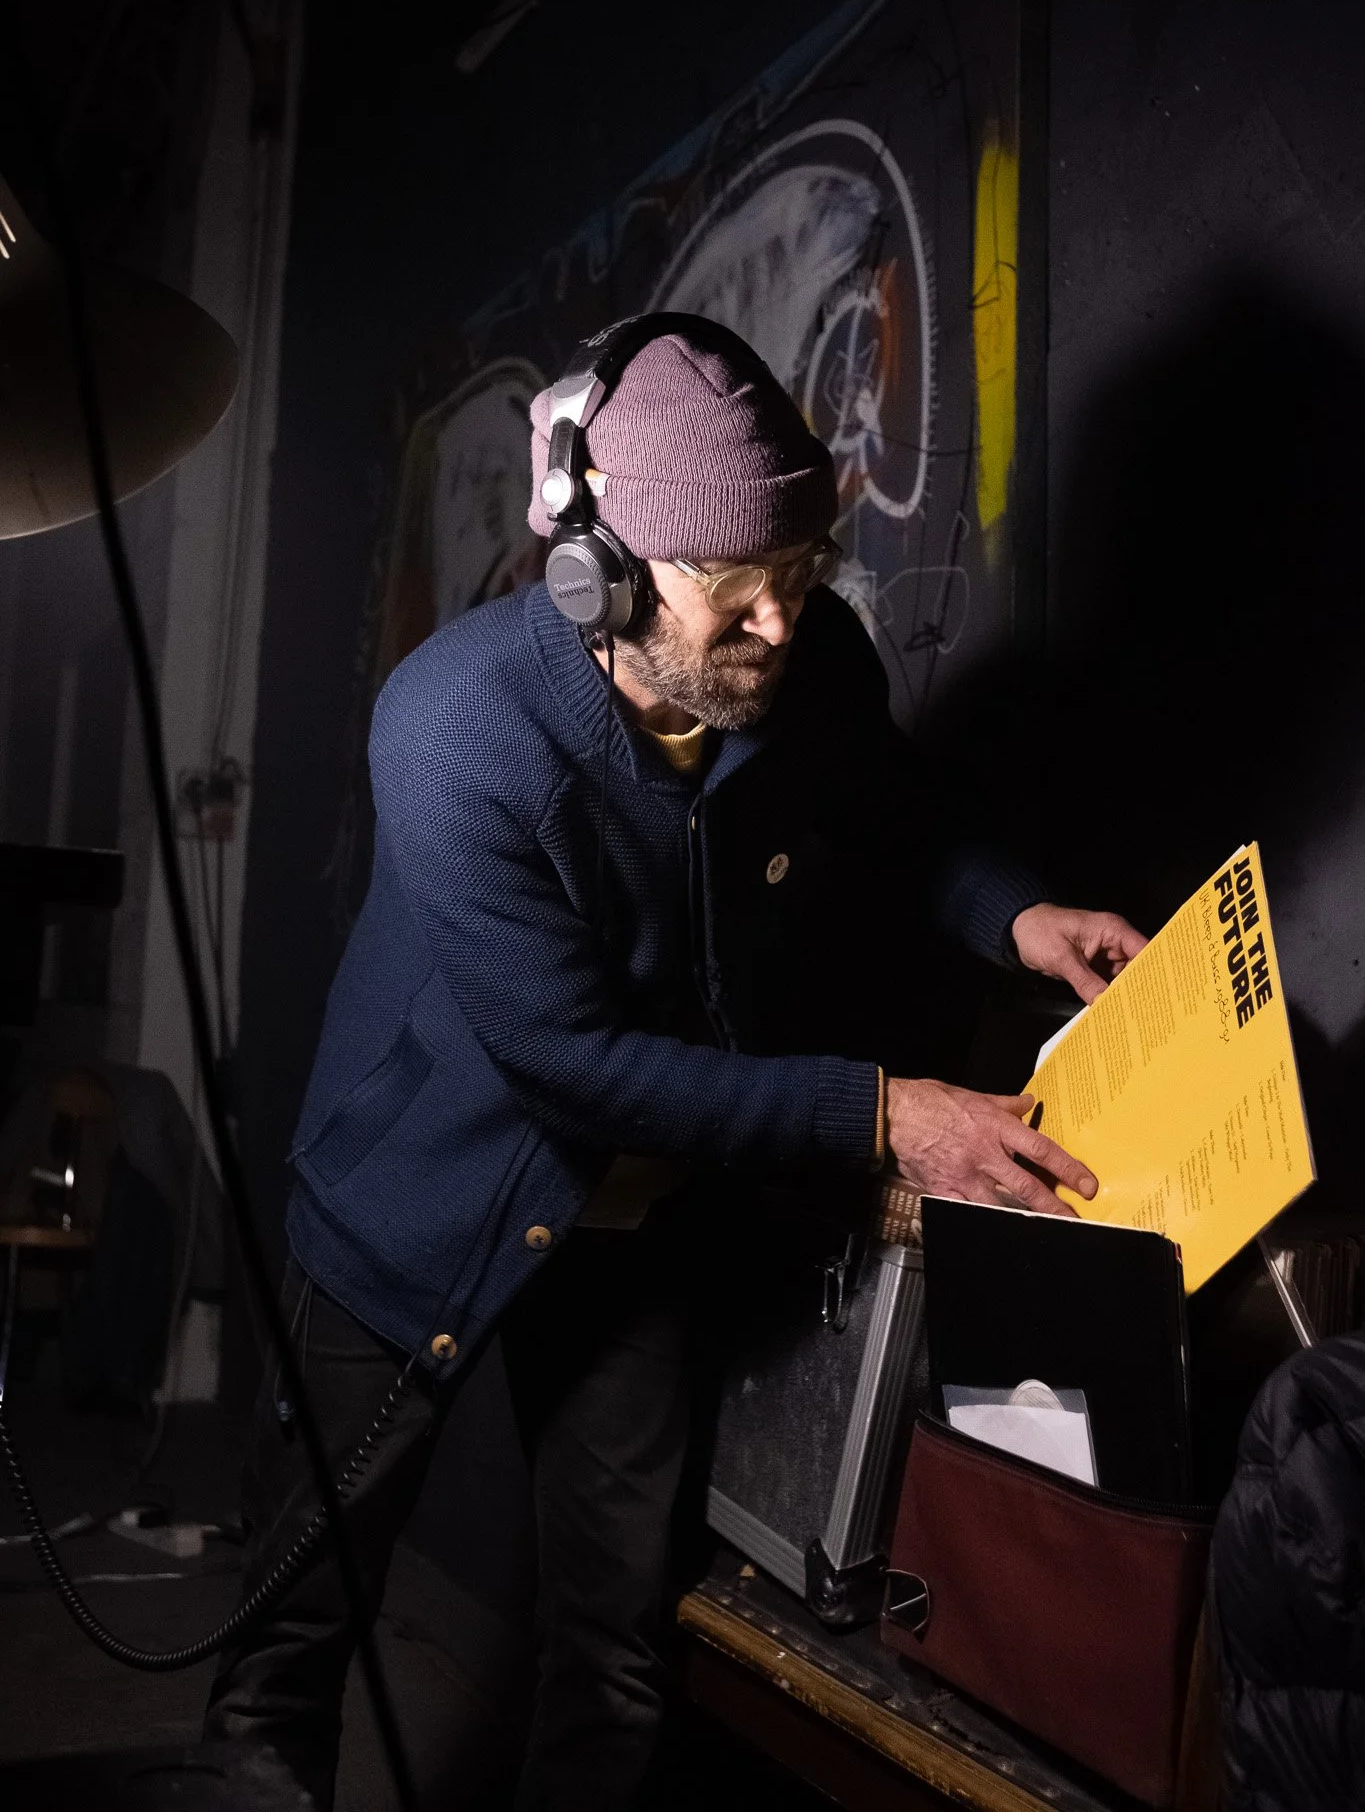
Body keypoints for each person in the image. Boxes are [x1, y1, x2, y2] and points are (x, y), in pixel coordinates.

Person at [204, 315, 1145, 1809]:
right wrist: (885, 1115)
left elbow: (895, 807)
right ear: (607, 577)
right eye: (739, 599)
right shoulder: (450, 732)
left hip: (632, 1238)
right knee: (287, 1655)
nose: (784, 629)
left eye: (801, 582)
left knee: (620, 1659)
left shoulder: (805, 660)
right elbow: (570, 1066)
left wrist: (1013, 912)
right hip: (413, 1206)